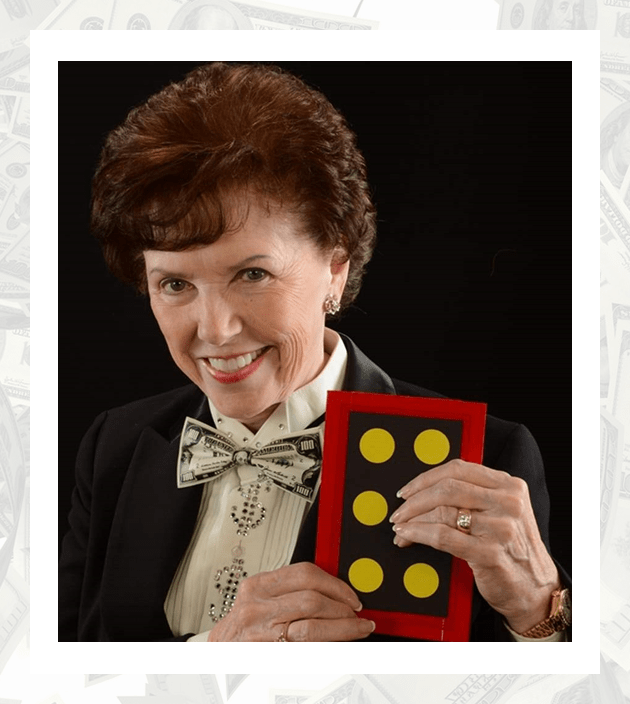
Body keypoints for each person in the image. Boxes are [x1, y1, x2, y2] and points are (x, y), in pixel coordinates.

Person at [58, 61, 571, 642]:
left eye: (252, 273)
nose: (217, 329)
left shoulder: (487, 457)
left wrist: (537, 614)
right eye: (175, 284)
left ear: (335, 264)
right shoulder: (115, 447)